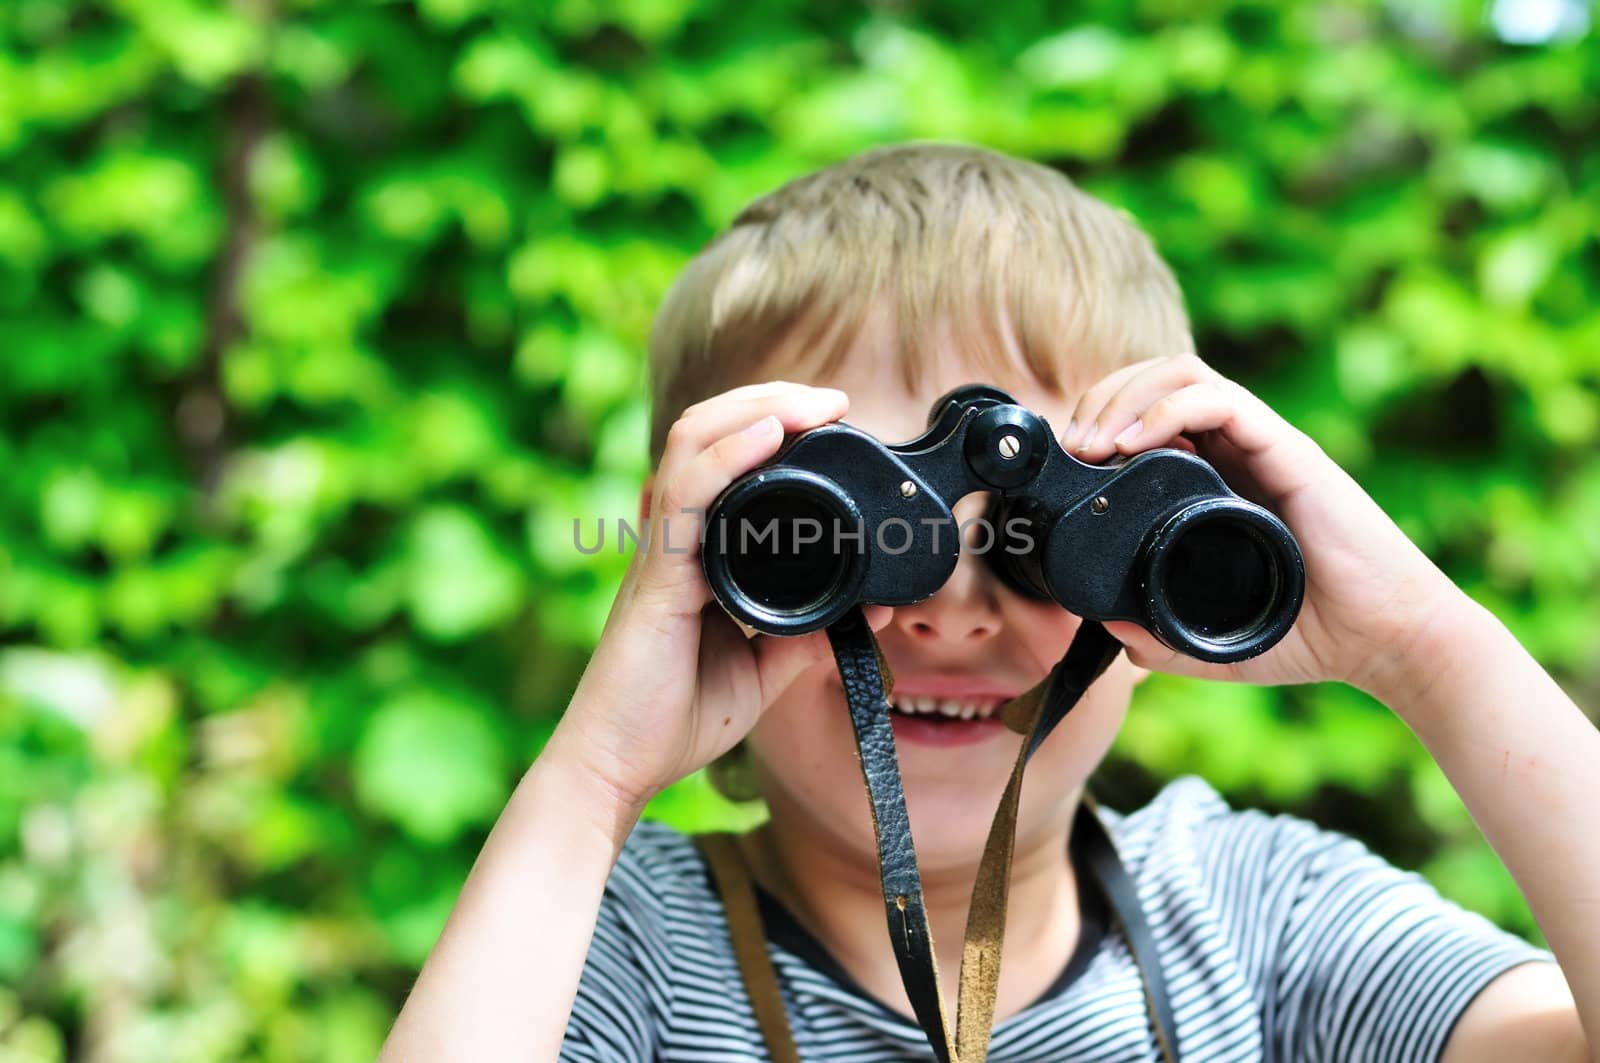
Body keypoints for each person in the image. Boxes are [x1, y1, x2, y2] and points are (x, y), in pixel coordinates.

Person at [378, 144, 1597, 1062]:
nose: (952, 614)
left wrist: (1427, 647)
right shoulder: (616, 949)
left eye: (1042, 541)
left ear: (1164, 559)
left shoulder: (1257, 927)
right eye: (848, 540)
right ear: (707, 554)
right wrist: (593, 778)